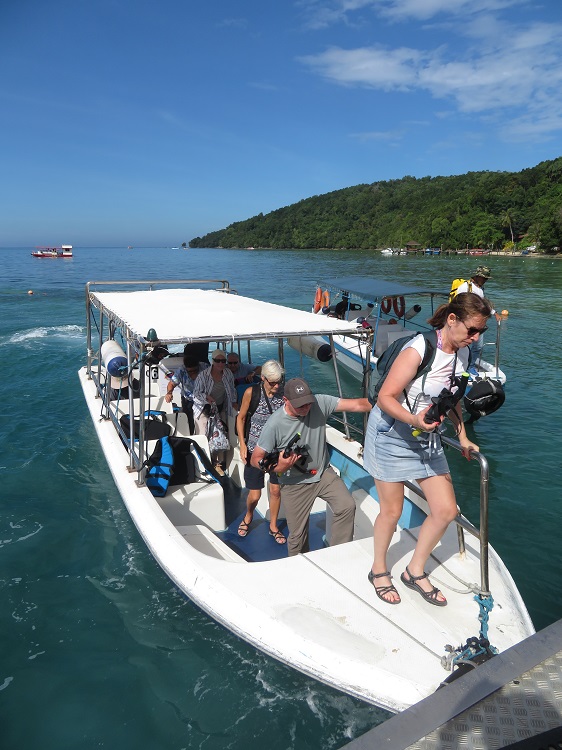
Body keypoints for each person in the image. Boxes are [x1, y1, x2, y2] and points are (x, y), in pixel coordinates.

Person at [363, 292, 492, 607]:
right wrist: (413, 418)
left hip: (425, 436)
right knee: (392, 511)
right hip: (391, 432)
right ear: (452, 320)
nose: (475, 338)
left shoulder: (463, 354)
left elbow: (452, 399)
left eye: (481, 333)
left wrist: (462, 437)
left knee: (447, 510)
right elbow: (386, 397)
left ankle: (414, 570)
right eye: (471, 330)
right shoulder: (419, 348)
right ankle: (379, 569)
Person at [251, 378, 372, 556]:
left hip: (323, 474)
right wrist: (277, 467)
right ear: (286, 401)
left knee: (346, 506)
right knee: (297, 536)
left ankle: (337, 555)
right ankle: (300, 568)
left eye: (308, 402)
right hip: (293, 483)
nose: (306, 408)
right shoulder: (274, 424)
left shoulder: (319, 402)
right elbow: (256, 458)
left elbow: (358, 405)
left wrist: (387, 401)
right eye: (300, 405)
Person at [236, 360, 286, 544]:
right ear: (263, 378)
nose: (276, 386)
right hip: (254, 450)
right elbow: (240, 418)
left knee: (275, 491)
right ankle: (248, 516)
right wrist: (242, 444)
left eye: (279, 381)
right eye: (272, 382)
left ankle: (273, 525)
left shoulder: (284, 393)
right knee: (255, 494)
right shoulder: (252, 393)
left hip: (277, 451)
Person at [193, 349, 239, 473]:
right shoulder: (203, 376)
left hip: (220, 408)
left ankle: (218, 463)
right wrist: (206, 398)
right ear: (212, 361)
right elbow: (195, 394)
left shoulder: (228, 373)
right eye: (217, 361)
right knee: (203, 435)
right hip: (203, 409)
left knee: (220, 435)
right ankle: (203, 462)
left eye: (223, 361)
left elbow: (232, 389)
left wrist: (234, 402)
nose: (220, 363)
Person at [455, 266, 501, 372]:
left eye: (486, 279)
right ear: (477, 276)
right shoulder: (465, 287)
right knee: (462, 345)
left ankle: (470, 366)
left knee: (478, 346)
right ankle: (459, 367)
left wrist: (494, 313)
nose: (485, 281)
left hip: (478, 323)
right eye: (484, 278)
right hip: (465, 322)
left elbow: (483, 304)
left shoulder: (480, 289)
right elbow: (458, 303)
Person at [165, 355, 208, 434]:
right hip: (188, 400)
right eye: (190, 371)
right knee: (188, 424)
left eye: (195, 370)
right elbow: (171, 384)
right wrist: (169, 393)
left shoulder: (205, 367)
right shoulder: (181, 370)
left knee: (203, 425)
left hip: (203, 400)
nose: (193, 373)